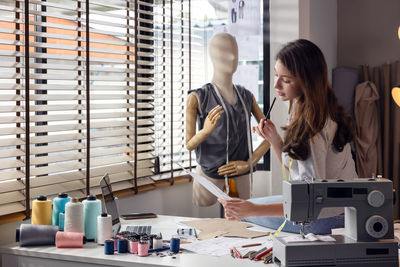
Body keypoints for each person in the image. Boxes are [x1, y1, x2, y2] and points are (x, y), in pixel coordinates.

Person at [218, 39, 358, 234]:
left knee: (242, 211)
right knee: (244, 206)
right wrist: (275, 140)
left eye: (286, 79)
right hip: (340, 210)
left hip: (328, 217)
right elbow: (298, 174)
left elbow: (309, 202)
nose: (276, 84)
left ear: (306, 81)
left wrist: (252, 211)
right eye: (276, 75)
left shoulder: (312, 127)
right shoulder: (317, 110)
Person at [185, 33, 270, 207]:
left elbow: (271, 136)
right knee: (210, 227)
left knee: (243, 223)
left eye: (235, 52)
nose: (232, 57)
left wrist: (249, 163)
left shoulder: (247, 96)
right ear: (213, 56)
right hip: (209, 175)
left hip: (241, 174)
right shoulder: (197, 97)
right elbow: (189, 144)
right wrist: (206, 131)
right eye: (225, 52)